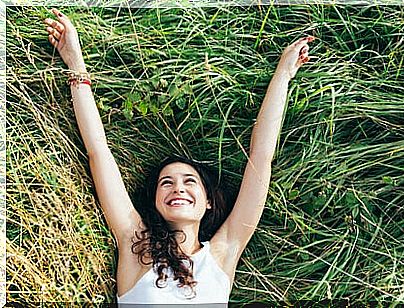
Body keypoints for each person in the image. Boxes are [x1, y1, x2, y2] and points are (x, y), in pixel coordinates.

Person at [44, 7, 314, 305]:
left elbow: (261, 157)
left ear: (208, 200)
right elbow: (99, 151)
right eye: (166, 183)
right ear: (155, 200)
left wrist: (284, 74)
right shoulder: (136, 245)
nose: (178, 188)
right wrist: (76, 65)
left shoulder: (224, 253)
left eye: (189, 181)